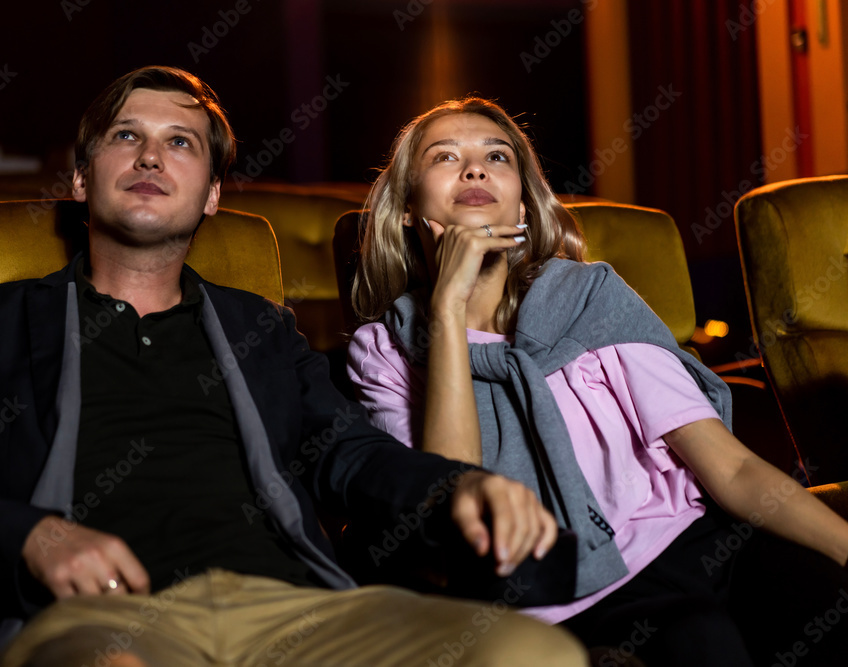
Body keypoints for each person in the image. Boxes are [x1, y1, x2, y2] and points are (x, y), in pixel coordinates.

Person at [0, 68, 589, 667]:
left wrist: (457, 487)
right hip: (98, 619)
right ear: (81, 178)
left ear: (213, 195)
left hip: (291, 608)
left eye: (180, 143)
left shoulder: (259, 330)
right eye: (125, 136)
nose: (150, 157)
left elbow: (353, 453)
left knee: (533, 651)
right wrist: (30, 535)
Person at [348, 96, 848, 666]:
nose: (475, 168)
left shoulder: (590, 298)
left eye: (497, 156)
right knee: (699, 640)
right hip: (548, 599)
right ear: (409, 207)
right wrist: (446, 307)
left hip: (699, 548)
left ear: (524, 208)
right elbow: (454, 503)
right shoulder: (385, 349)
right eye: (445, 157)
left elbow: (729, 466)